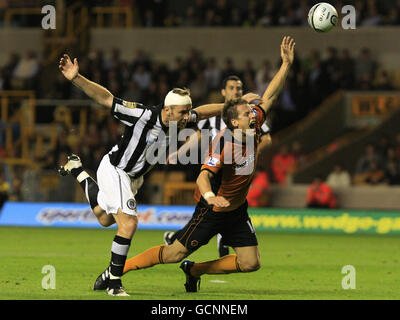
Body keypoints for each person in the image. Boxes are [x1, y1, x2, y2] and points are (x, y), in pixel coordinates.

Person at [94, 36, 295, 293]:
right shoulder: (224, 144)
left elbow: (270, 97)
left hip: (236, 210)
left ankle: (194, 270)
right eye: (247, 113)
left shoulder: (253, 125)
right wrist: (211, 197)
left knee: (251, 263)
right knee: (171, 254)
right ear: (234, 123)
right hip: (211, 210)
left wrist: (286, 65)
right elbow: (203, 176)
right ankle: (117, 270)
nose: (254, 114)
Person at [57, 54, 230, 296]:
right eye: (182, 113)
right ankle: (114, 283)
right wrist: (77, 78)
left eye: (187, 112)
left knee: (105, 219)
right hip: (117, 169)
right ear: (167, 110)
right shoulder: (143, 115)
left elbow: (201, 113)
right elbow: (107, 99)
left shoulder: (179, 119)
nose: (186, 117)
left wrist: (229, 107)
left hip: (134, 178)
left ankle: (78, 170)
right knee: (129, 224)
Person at [163, 74, 272, 258]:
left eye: (239, 88)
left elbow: (267, 137)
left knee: (218, 211)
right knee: (210, 211)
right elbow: (197, 136)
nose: (236, 91)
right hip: (214, 170)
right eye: (231, 88)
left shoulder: (248, 114)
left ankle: (178, 239)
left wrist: (252, 154)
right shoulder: (213, 116)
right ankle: (181, 241)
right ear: (223, 91)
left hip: (234, 170)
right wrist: (179, 153)